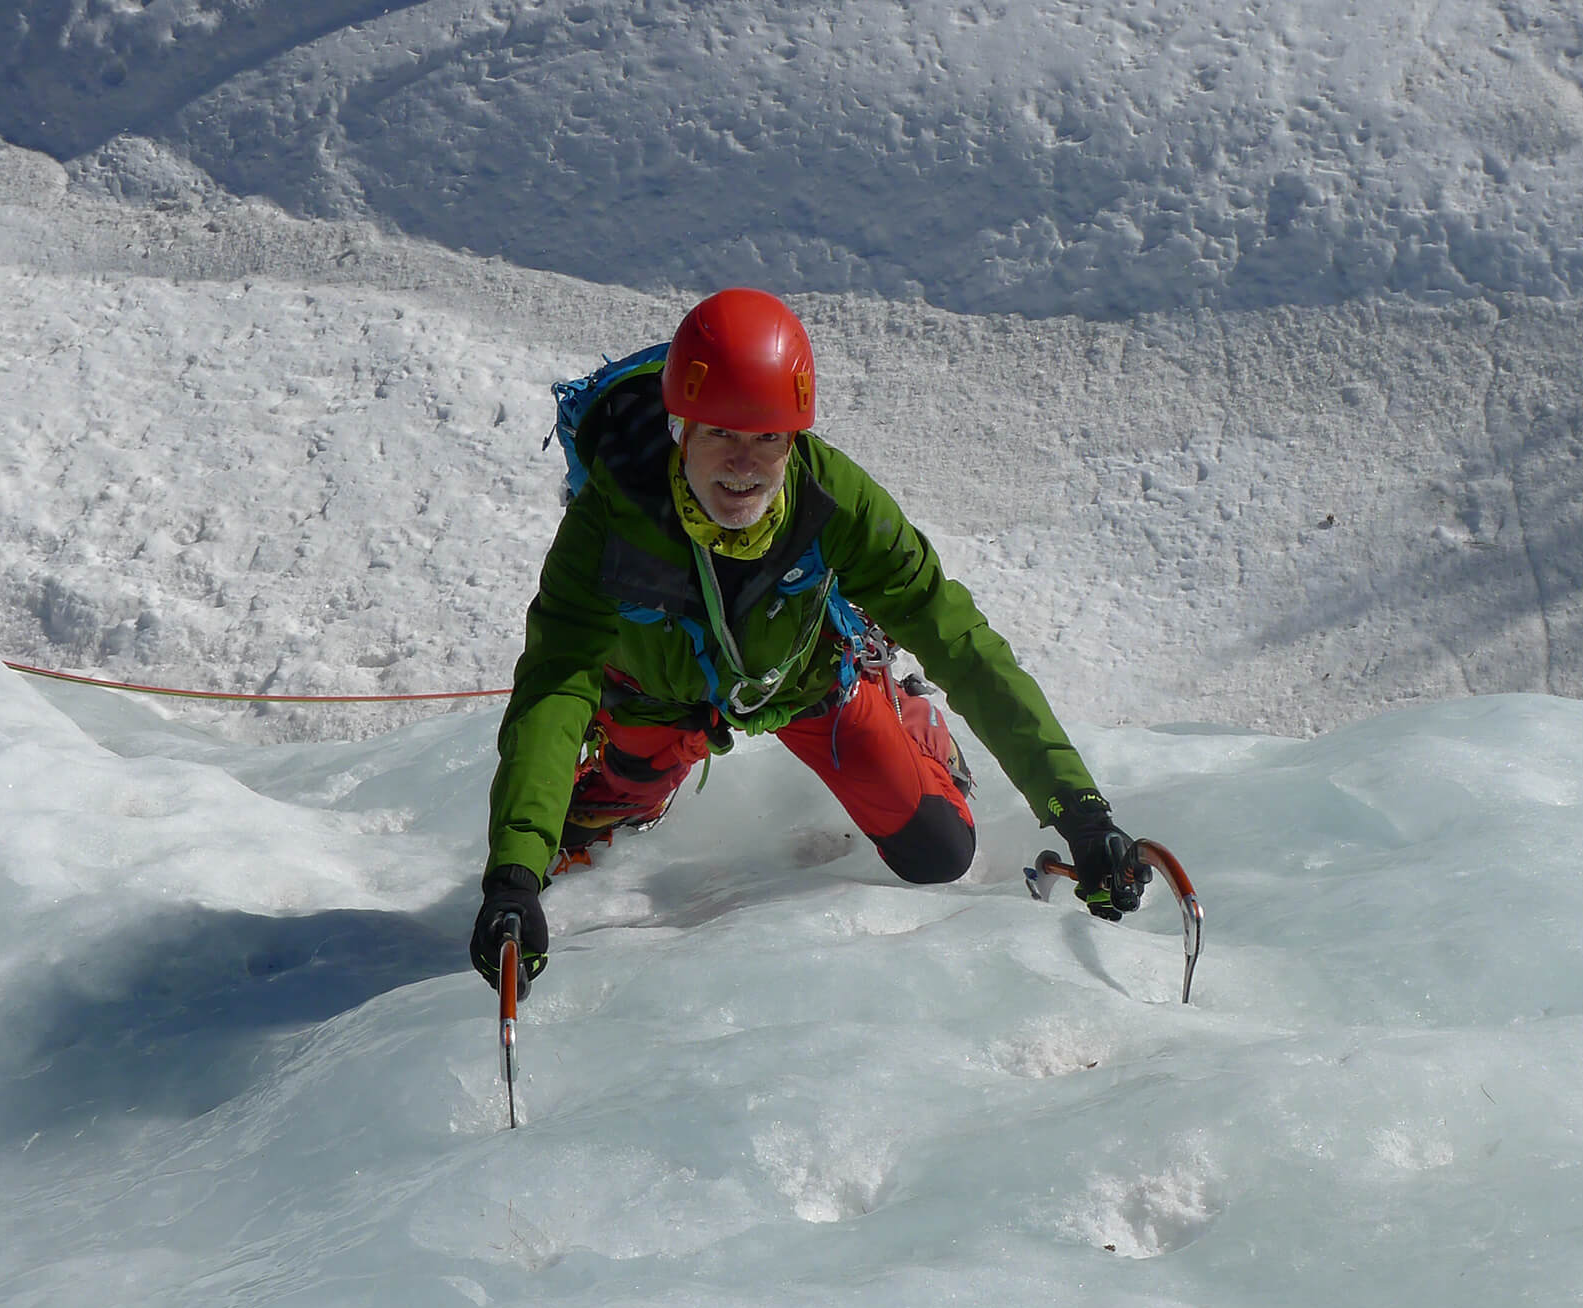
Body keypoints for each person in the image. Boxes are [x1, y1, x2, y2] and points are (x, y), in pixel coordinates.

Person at [471, 288, 1148, 998]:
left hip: (802, 684)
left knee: (938, 853)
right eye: (720, 434)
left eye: (768, 437)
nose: (744, 464)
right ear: (680, 429)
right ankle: (632, 790)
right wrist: (513, 873)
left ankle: (909, 716)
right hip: (654, 698)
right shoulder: (609, 521)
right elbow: (557, 683)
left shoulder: (834, 502)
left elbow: (957, 637)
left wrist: (1081, 812)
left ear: (793, 439)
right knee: (573, 830)